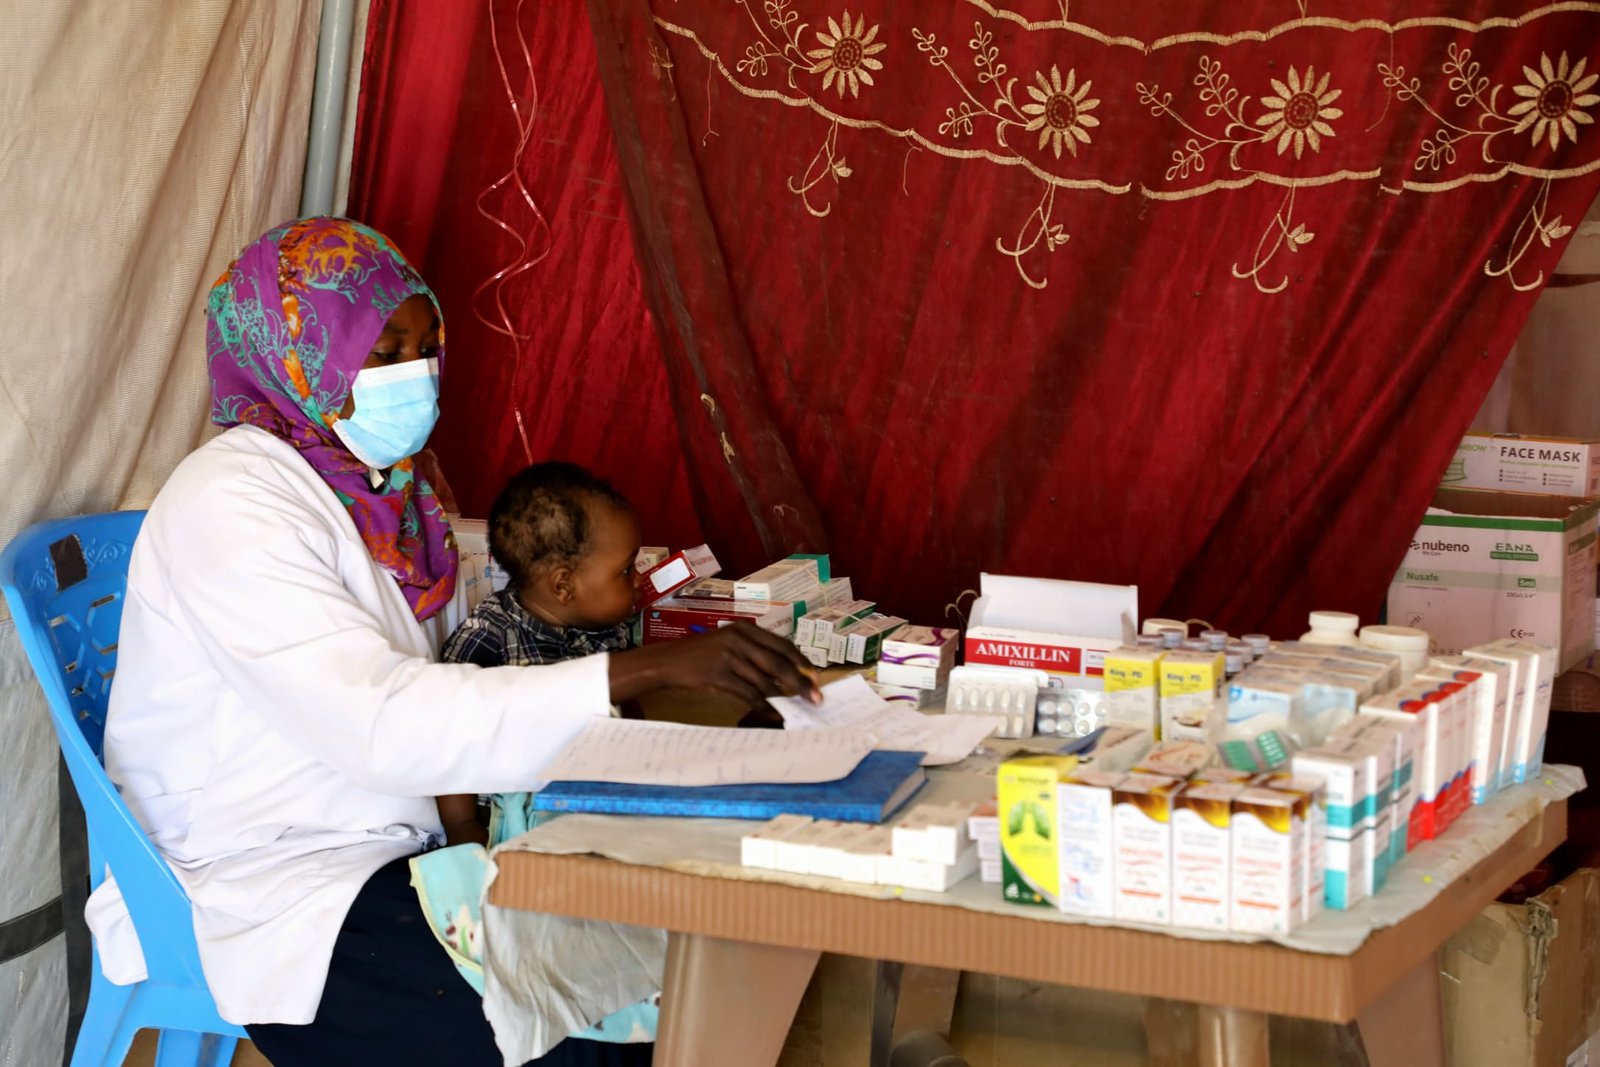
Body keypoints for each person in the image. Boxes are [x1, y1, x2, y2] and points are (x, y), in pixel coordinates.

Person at [93, 217, 818, 1066]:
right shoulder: (231, 502)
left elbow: (457, 670)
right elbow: (383, 722)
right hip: (276, 873)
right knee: (561, 1040)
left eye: (426, 348)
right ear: (301, 354)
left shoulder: (387, 494)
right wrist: (644, 665)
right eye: (385, 350)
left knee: (657, 977)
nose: (416, 374)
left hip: (408, 839)